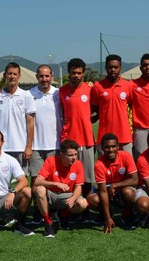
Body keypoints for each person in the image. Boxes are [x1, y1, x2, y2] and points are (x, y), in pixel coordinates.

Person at [87, 134, 148, 233]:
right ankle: (107, 214)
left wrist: (114, 185)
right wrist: (107, 218)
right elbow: (103, 191)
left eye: (113, 146)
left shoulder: (126, 156)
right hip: (107, 192)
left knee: (128, 192)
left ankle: (127, 213)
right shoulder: (99, 164)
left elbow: (135, 180)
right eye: (107, 147)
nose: (111, 150)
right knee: (92, 199)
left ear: (118, 146)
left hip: (123, 190)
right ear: (102, 148)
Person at [33, 139, 88, 236]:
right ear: (62, 155)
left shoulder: (78, 164)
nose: (74, 157)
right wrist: (55, 184)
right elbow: (37, 181)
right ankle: (48, 223)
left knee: (83, 203)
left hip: (65, 196)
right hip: (51, 195)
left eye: (75, 154)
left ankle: (63, 214)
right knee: (39, 189)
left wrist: (73, 198)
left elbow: (78, 186)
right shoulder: (51, 161)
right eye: (70, 155)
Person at [60, 58, 96, 194]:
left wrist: (87, 122)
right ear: (69, 72)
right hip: (69, 140)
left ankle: (86, 207)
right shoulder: (62, 92)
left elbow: (97, 110)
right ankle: (68, 209)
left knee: (87, 178)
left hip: (86, 140)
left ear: (83, 73)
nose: (76, 75)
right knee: (68, 177)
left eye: (79, 73)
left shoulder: (90, 90)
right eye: (73, 72)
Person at [30, 65, 62, 210]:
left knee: (53, 180)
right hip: (36, 146)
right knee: (36, 181)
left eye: (47, 76)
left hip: (55, 145)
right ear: (37, 77)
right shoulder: (29, 94)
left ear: (52, 77)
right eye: (41, 76)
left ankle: (53, 211)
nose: (44, 79)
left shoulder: (58, 94)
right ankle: (38, 211)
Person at [0, 62, 36, 172]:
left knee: (22, 182)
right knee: (1, 182)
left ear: (19, 76)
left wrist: (28, 146)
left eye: (15, 74)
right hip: (2, 148)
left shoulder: (26, 96)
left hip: (20, 147)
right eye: (9, 73)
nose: (12, 76)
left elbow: (30, 123)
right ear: (4, 75)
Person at [91, 54, 134, 154]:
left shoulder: (128, 85)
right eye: (110, 67)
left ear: (120, 68)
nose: (113, 70)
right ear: (106, 67)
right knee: (104, 168)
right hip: (104, 136)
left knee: (127, 167)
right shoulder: (98, 86)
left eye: (116, 67)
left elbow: (133, 105)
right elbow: (94, 107)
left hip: (124, 136)